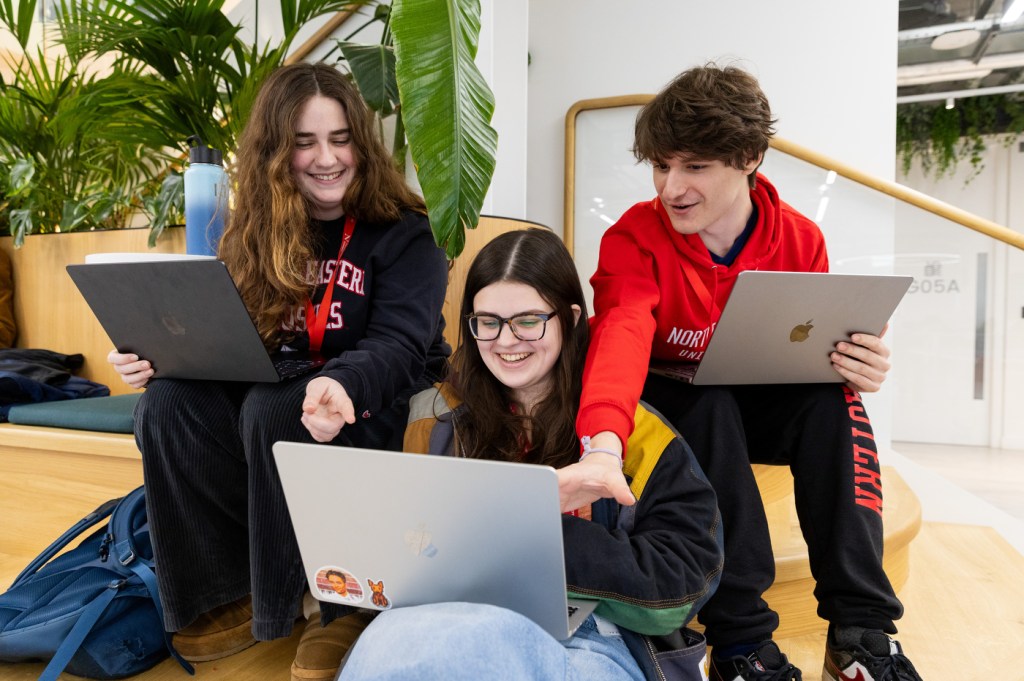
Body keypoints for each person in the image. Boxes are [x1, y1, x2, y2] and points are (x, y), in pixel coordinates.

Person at [572, 64, 924, 681]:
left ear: (750, 158)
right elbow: (622, 331)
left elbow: (812, 344)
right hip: (676, 411)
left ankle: (862, 634)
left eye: (694, 167)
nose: (671, 186)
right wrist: (602, 442)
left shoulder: (800, 238)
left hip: (756, 407)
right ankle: (740, 645)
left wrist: (857, 359)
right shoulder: (634, 237)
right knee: (707, 402)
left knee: (831, 399)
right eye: (660, 166)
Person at [108, 62, 449, 681]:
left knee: (275, 407)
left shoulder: (406, 233)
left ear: (361, 145)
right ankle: (225, 589)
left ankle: (339, 605)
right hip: (285, 383)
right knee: (167, 402)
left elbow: (401, 345)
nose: (327, 158)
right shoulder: (252, 233)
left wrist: (342, 383)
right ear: (276, 151)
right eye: (304, 141)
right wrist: (156, 357)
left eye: (341, 138)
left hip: (380, 394)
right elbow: (229, 340)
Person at [339, 227, 724, 681]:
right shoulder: (433, 417)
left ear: (571, 318)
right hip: (441, 623)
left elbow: (680, 588)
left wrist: (533, 534)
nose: (505, 341)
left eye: (527, 321)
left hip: (592, 638)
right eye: (487, 322)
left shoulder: (631, 434)